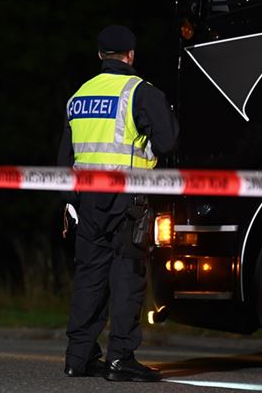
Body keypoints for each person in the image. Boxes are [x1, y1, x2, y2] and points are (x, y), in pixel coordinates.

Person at [57, 24, 179, 382]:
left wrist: (67, 203)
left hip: (86, 202)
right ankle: (119, 359)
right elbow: (168, 141)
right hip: (128, 200)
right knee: (127, 276)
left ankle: (77, 358)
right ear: (131, 55)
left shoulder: (78, 96)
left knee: (89, 279)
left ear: (100, 56)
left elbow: (65, 155)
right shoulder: (141, 92)